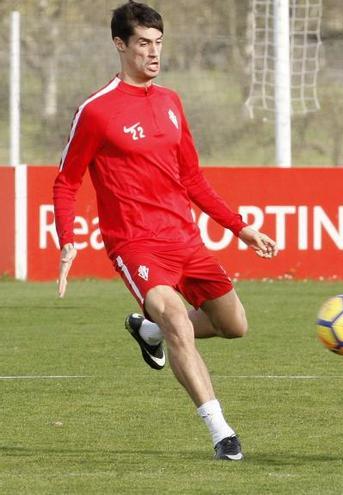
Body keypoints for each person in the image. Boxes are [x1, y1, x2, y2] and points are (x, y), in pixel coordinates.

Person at [53, 1, 278, 461]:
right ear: (120, 44)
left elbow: (192, 179)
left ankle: (148, 333)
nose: (154, 53)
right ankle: (221, 432)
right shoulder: (96, 111)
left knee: (234, 326)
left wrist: (240, 228)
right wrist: (68, 237)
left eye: (158, 43)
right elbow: (66, 180)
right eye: (143, 44)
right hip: (134, 243)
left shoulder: (171, 102)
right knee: (176, 318)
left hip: (185, 240)